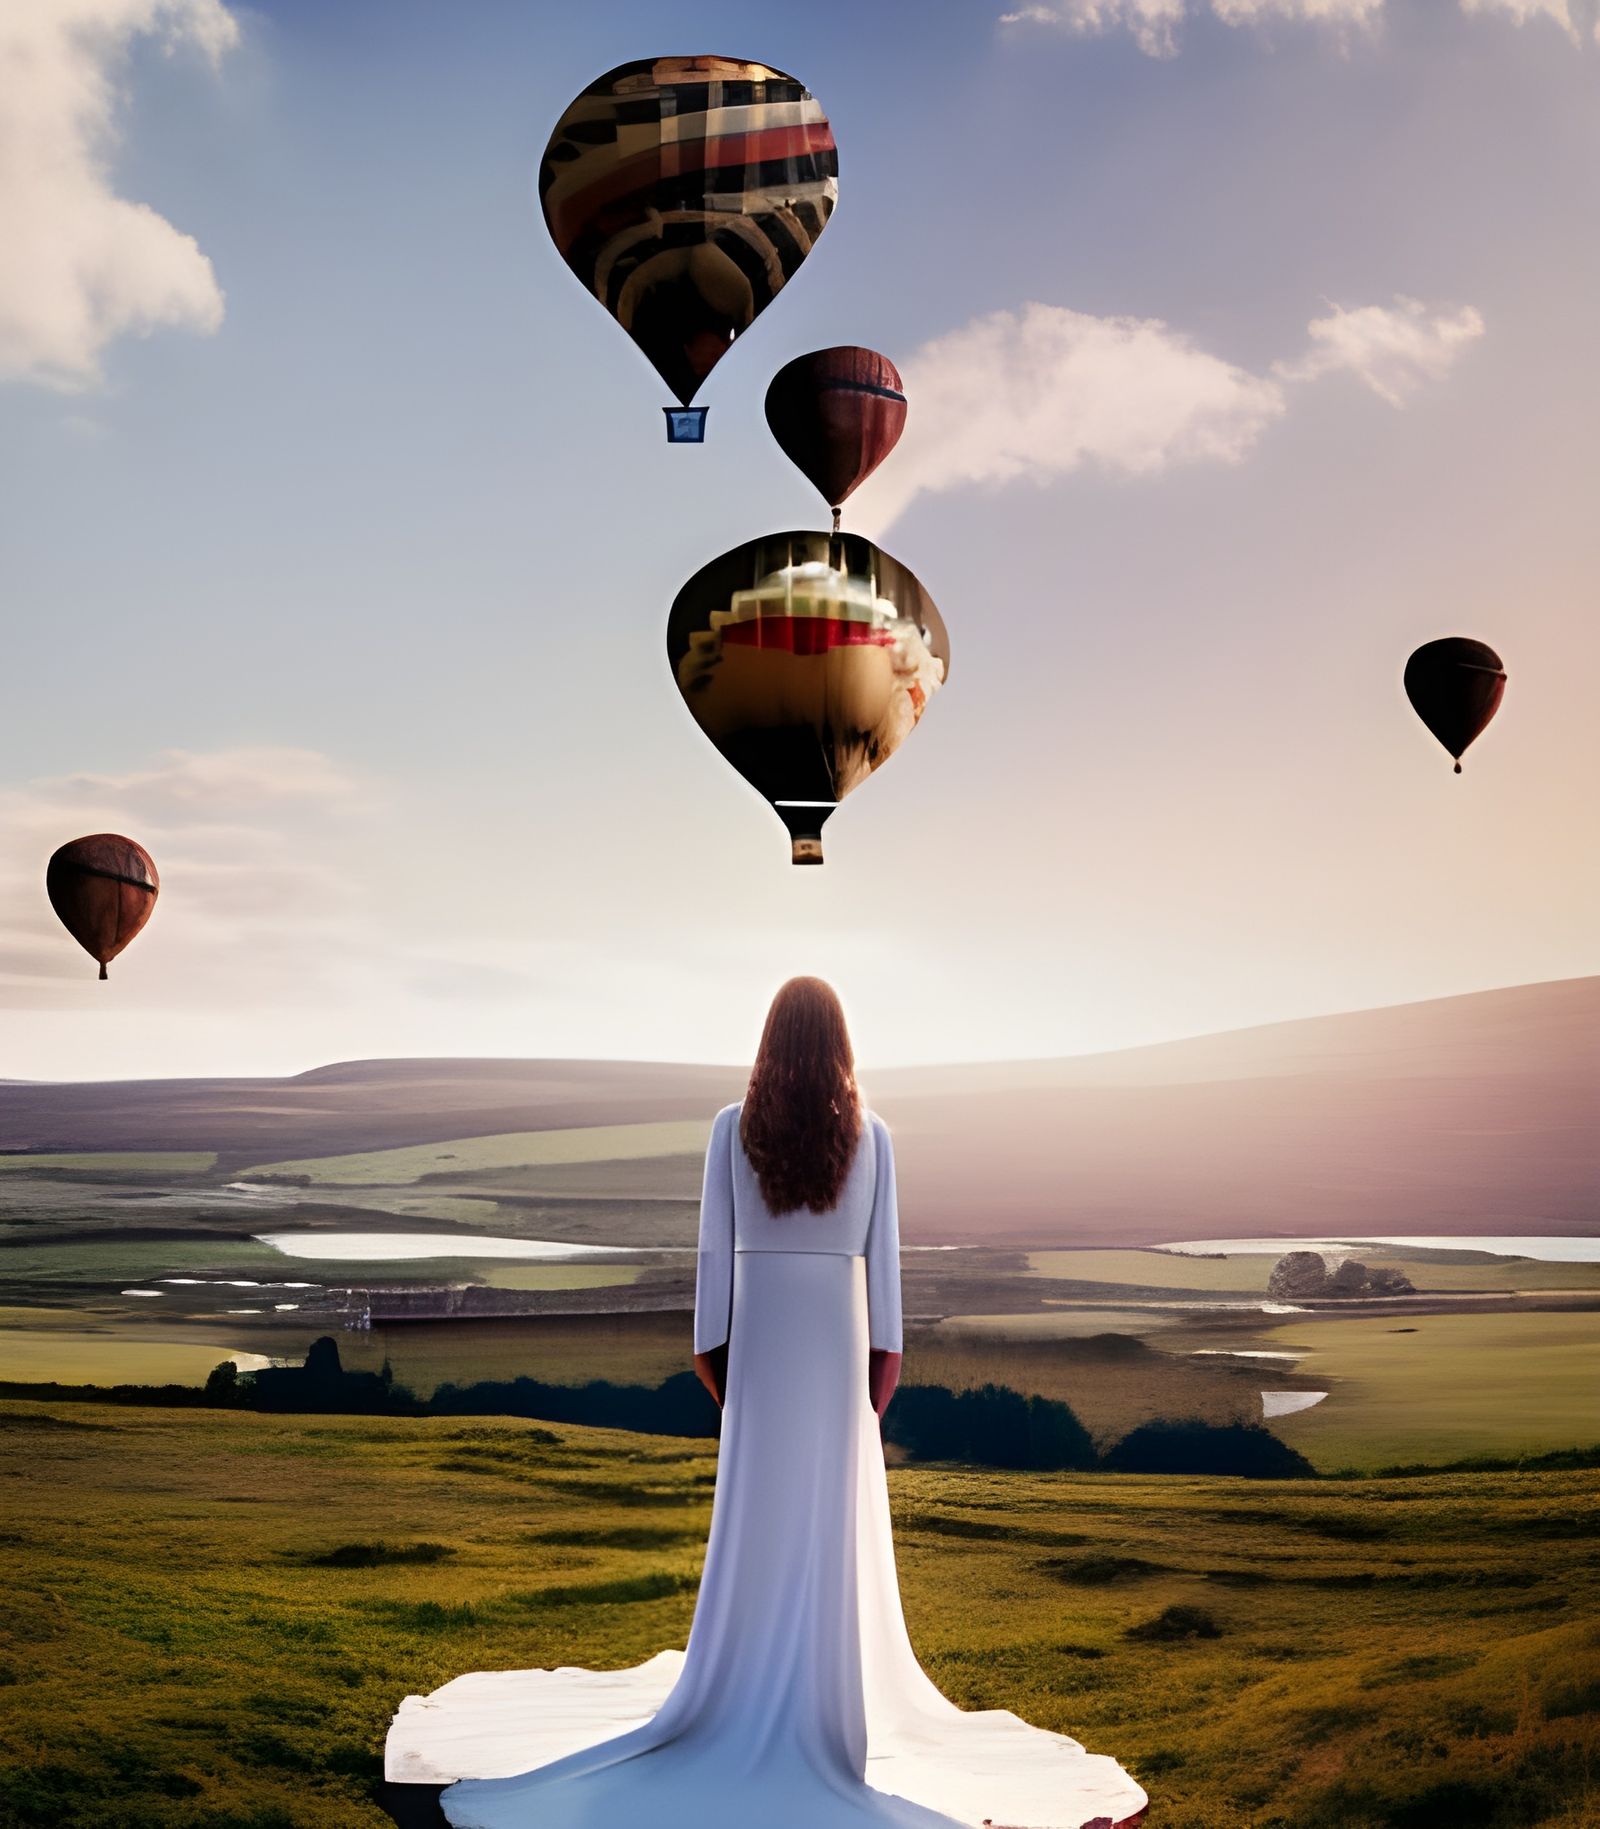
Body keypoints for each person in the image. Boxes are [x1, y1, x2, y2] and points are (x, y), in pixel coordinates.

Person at [386, 978, 1147, 1829]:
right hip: (835, 1347)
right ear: (842, 1046)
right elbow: (886, 1281)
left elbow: (714, 1262)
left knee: (757, 1520)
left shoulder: (730, 1130)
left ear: (769, 1043)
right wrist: (876, 1382)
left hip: (760, 1346)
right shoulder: (876, 1138)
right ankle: (825, 1713)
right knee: (828, 1528)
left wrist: (721, 1370)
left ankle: (742, 1683)